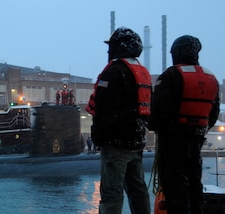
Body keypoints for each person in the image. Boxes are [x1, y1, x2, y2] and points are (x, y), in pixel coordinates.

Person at [149, 35, 220, 214]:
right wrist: (200, 128)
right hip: (196, 136)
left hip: (173, 139)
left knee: (175, 185)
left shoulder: (171, 76)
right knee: (194, 182)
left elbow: (158, 110)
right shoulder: (211, 78)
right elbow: (213, 112)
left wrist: (154, 125)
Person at [86, 27, 151, 214]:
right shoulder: (142, 72)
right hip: (136, 143)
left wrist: (99, 137)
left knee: (111, 192)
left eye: (111, 47)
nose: (109, 51)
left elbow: (105, 109)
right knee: (138, 190)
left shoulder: (115, 72)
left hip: (116, 143)